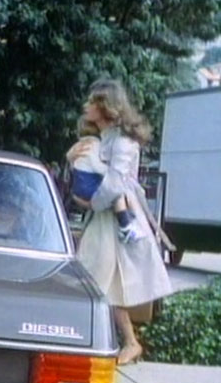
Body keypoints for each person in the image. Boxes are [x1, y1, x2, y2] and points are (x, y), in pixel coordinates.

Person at [66, 79, 172, 365]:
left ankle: (121, 341)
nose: (86, 106)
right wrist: (72, 159)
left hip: (116, 219)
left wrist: (91, 203)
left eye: (92, 102)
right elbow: (86, 172)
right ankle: (124, 341)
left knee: (97, 278)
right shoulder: (104, 138)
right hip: (104, 217)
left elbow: (114, 184)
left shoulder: (122, 142)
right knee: (98, 279)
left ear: (105, 106)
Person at [71, 115, 145, 243]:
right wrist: (109, 172)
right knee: (117, 196)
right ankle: (126, 225)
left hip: (97, 191)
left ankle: (127, 222)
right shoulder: (95, 144)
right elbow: (102, 171)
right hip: (103, 195)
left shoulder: (117, 143)